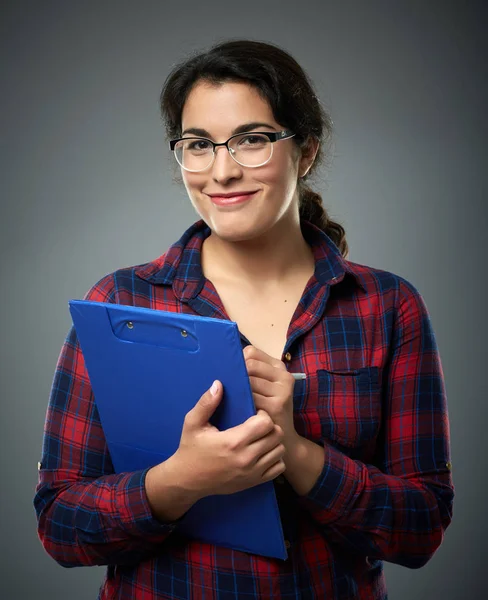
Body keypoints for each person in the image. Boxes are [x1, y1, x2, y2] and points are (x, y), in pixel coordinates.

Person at [34, 39, 454, 600]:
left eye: (252, 140)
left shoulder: (386, 305)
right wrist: (177, 483)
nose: (223, 171)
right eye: (199, 145)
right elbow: (60, 525)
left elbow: (420, 530)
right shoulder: (122, 302)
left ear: (304, 152)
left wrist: (298, 453)